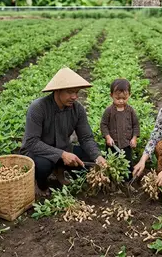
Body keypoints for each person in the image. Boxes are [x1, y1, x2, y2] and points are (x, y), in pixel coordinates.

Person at [21, 67, 107, 197]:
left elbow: (86, 138)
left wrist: (97, 156)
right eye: (70, 92)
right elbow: (31, 142)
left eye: (76, 92)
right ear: (57, 90)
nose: (74, 96)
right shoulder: (38, 108)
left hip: (64, 148)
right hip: (39, 152)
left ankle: (59, 169)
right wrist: (61, 154)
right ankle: (40, 184)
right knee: (43, 167)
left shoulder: (78, 109)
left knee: (90, 160)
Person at [100, 78, 140, 169]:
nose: (121, 101)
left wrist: (134, 138)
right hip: (112, 144)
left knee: (128, 165)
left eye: (124, 98)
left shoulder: (130, 111)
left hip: (127, 144)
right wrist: (108, 137)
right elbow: (103, 124)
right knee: (111, 165)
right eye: (118, 98)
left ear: (129, 95)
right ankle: (112, 181)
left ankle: (128, 182)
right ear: (111, 95)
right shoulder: (109, 111)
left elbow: (136, 125)